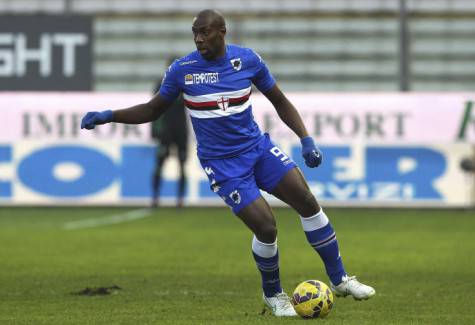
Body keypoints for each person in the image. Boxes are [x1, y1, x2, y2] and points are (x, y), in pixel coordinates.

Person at [80, 9, 375, 317]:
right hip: (222, 164)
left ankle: (340, 279)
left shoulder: (247, 60)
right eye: (194, 33)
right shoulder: (183, 70)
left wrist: (305, 138)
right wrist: (110, 115)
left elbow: (280, 101)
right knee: (266, 226)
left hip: (257, 149)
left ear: (222, 31)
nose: (198, 39)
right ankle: (273, 295)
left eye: (204, 32)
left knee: (307, 201)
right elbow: (153, 109)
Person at [151, 58, 188, 208]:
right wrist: (155, 131)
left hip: (180, 130)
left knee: (182, 164)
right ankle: (155, 198)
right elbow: (152, 108)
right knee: (160, 164)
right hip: (165, 131)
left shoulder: (187, 84)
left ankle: (180, 200)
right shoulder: (161, 83)